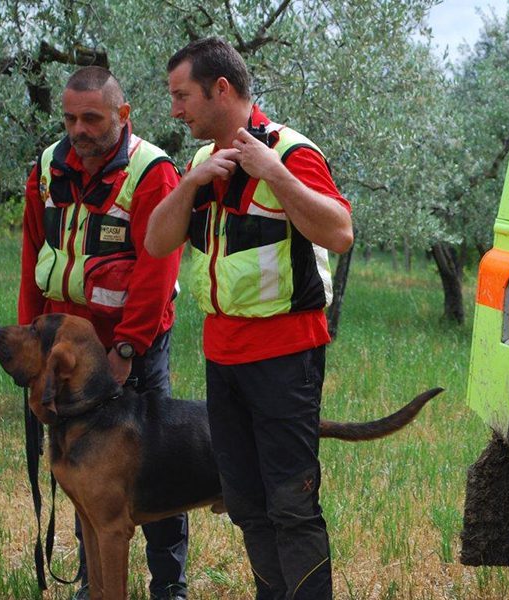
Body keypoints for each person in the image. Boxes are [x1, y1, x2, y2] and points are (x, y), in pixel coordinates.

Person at [145, 37, 353, 600]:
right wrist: (191, 182)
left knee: (290, 502)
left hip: (286, 359)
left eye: (181, 95)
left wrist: (272, 173)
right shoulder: (197, 164)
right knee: (245, 502)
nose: (174, 110)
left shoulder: (290, 151)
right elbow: (156, 241)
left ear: (221, 89)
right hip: (223, 358)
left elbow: (339, 231)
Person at [18, 66, 189, 600]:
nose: (79, 129)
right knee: (82, 468)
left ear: (122, 115)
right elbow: (31, 259)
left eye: (91, 118)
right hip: (62, 353)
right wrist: (31, 352)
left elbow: (157, 269)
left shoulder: (151, 171)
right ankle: (96, 585)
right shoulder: (47, 167)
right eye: (70, 118)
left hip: (126, 348)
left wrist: (126, 349)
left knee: (157, 467)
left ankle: (169, 588)